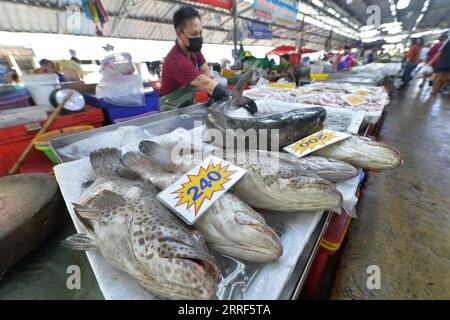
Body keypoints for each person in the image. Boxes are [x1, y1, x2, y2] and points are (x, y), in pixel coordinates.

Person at [158, 6, 256, 113]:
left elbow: (206, 72)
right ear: (178, 33)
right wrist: (234, 99)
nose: (199, 37)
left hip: (188, 106)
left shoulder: (194, 50)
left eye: (200, 33)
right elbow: (205, 83)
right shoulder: (176, 60)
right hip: (170, 111)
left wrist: (211, 94)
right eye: (194, 34)